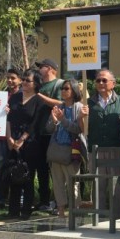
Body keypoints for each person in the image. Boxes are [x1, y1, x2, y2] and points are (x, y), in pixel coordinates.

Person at [87, 69, 120, 213]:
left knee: (116, 184)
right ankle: (98, 216)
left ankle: (118, 215)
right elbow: (83, 128)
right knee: (98, 184)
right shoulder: (88, 103)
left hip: (115, 150)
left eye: (104, 80)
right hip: (96, 150)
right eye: (98, 80)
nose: (100, 83)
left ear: (113, 83)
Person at [4, 69, 43, 219]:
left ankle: (26, 209)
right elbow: (7, 117)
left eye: (28, 80)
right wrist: (9, 138)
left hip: (30, 142)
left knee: (27, 176)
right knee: (13, 175)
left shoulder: (39, 100)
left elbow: (35, 123)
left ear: (36, 84)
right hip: (12, 139)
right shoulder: (14, 97)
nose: (25, 82)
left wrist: (22, 140)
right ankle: (13, 210)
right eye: (24, 80)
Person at [46, 78, 88, 217]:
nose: (63, 91)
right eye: (62, 88)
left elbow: (78, 130)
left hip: (71, 151)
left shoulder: (79, 107)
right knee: (57, 183)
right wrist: (53, 120)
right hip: (57, 149)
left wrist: (63, 120)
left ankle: (75, 210)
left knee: (73, 183)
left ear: (74, 90)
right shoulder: (59, 107)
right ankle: (61, 211)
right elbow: (49, 129)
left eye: (66, 88)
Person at [32, 58, 64, 210]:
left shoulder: (59, 84)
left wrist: (40, 96)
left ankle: (59, 201)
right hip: (38, 132)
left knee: (55, 170)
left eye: (42, 67)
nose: (39, 70)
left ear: (51, 69)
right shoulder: (38, 85)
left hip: (53, 133)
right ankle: (43, 200)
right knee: (41, 169)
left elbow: (60, 103)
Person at [0, 68, 24, 209]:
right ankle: (0, 198)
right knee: (1, 168)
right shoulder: (2, 96)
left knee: (18, 168)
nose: (10, 80)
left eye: (13, 78)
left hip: (16, 139)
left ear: (20, 80)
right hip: (0, 138)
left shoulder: (24, 96)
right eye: (8, 78)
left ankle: (18, 199)